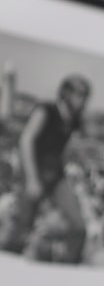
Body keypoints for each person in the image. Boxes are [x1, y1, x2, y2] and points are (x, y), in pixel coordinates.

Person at [1, 75, 90, 263]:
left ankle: (67, 270)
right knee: (20, 231)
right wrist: (32, 179)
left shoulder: (74, 120)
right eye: (79, 95)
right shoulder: (46, 110)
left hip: (56, 176)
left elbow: (66, 148)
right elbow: (26, 140)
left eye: (85, 96)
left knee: (78, 227)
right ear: (66, 94)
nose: (83, 100)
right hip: (34, 174)